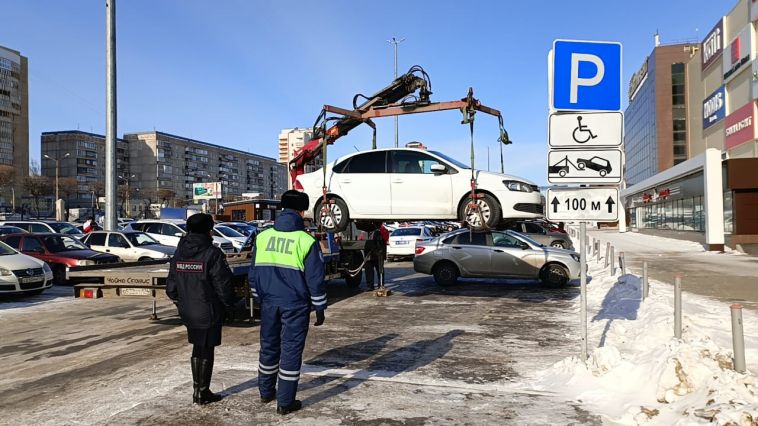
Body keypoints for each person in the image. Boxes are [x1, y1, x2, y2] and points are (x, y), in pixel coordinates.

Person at [248, 190, 326, 415]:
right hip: (295, 305)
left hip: (268, 302)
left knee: (269, 346)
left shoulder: (262, 237)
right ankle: (285, 402)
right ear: (302, 212)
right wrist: (319, 307)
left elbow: (253, 273)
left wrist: (257, 296)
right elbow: (315, 280)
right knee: (291, 350)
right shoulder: (306, 240)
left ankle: (265, 392)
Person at [166, 213, 236, 405]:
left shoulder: (179, 253)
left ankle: (199, 390)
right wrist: (231, 306)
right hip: (208, 309)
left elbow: (171, 287)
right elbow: (223, 285)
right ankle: (201, 392)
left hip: (188, 309)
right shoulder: (212, 253)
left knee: (198, 347)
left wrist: (182, 301)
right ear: (208, 230)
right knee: (206, 349)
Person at [363, 222, 387, 291]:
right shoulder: (366, 232)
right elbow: (361, 239)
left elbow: (384, 239)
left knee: (380, 270)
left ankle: (381, 284)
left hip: (378, 254)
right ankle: (370, 286)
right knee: (368, 270)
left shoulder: (382, 230)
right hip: (369, 254)